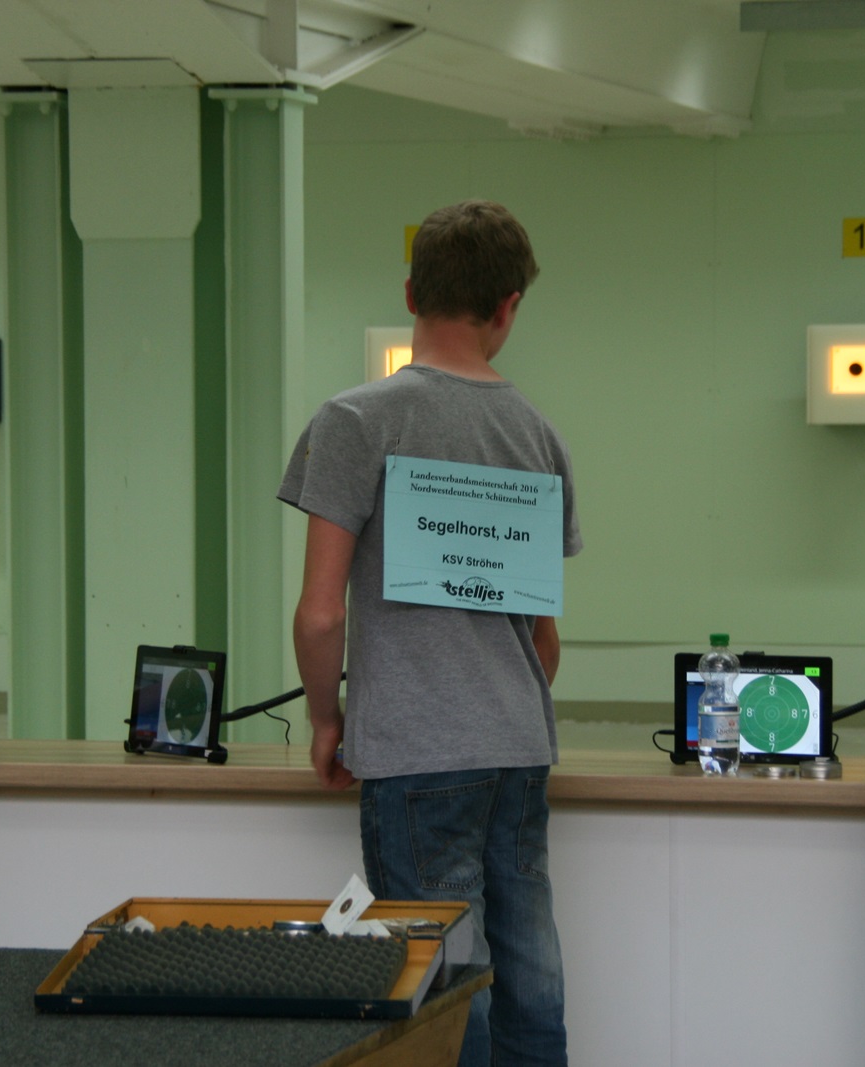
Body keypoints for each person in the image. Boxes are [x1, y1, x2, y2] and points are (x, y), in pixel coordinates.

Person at [280, 200, 580, 1066]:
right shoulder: (537, 435)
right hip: (518, 748)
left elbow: (321, 611)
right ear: (509, 306)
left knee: (443, 994)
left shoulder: (355, 420)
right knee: (529, 981)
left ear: (410, 292)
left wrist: (327, 718)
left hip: (415, 753)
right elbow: (544, 640)